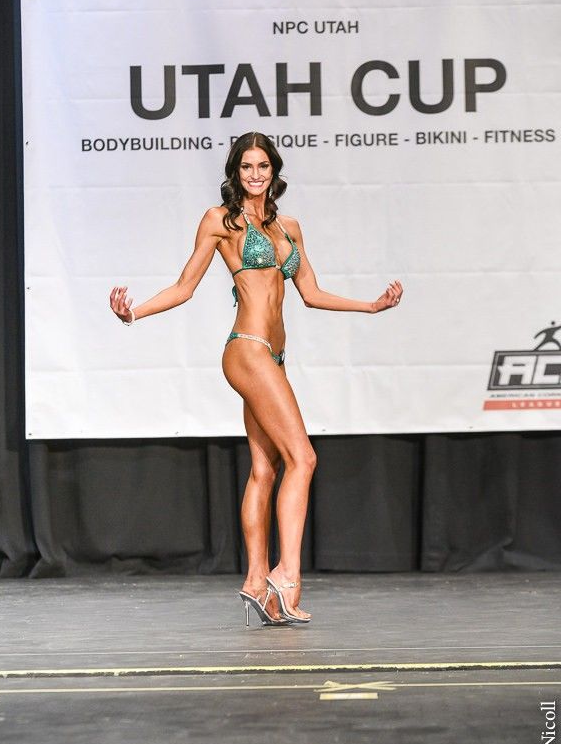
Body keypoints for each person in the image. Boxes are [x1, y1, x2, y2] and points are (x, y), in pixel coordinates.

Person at [110, 131, 403, 627]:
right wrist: (134, 313)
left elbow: (311, 293)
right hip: (247, 349)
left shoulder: (289, 227)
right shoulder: (220, 221)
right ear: (235, 172)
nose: (255, 174)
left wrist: (371, 306)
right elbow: (184, 286)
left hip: (275, 355)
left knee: (266, 470)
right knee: (303, 458)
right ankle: (287, 575)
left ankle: (255, 582)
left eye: (262, 166)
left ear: (273, 171)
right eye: (246, 167)